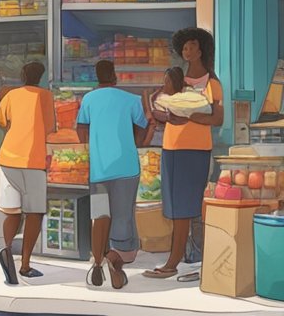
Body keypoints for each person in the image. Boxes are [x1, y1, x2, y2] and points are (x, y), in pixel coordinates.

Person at [144, 28, 222, 280]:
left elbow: (218, 118)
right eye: (184, 47)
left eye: (191, 46)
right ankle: (184, 260)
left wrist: (192, 116)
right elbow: (161, 110)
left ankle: (176, 262)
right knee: (178, 208)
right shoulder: (177, 80)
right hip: (172, 147)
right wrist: (166, 115)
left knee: (188, 207)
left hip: (196, 150)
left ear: (201, 49)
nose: (187, 51)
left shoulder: (212, 83)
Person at [77, 59, 148, 290]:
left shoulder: (88, 99)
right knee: (122, 216)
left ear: (97, 76)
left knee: (99, 215)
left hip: (99, 169)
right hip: (126, 168)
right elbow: (141, 131)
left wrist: (94, 146)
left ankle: (97, 263)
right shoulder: (131, 100)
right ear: (115, 76)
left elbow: (81, 131)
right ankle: (117, 264)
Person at [0, 61, 54, 284]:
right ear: (41, 77)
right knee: (35, 213)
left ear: (21, 75)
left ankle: (7, 252)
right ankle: (25, 264)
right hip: (33, 159)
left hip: (7, 157)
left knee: (12, 212)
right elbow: (49, 127)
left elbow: (0, 120)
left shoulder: (11, 95)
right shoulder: (45, 96)